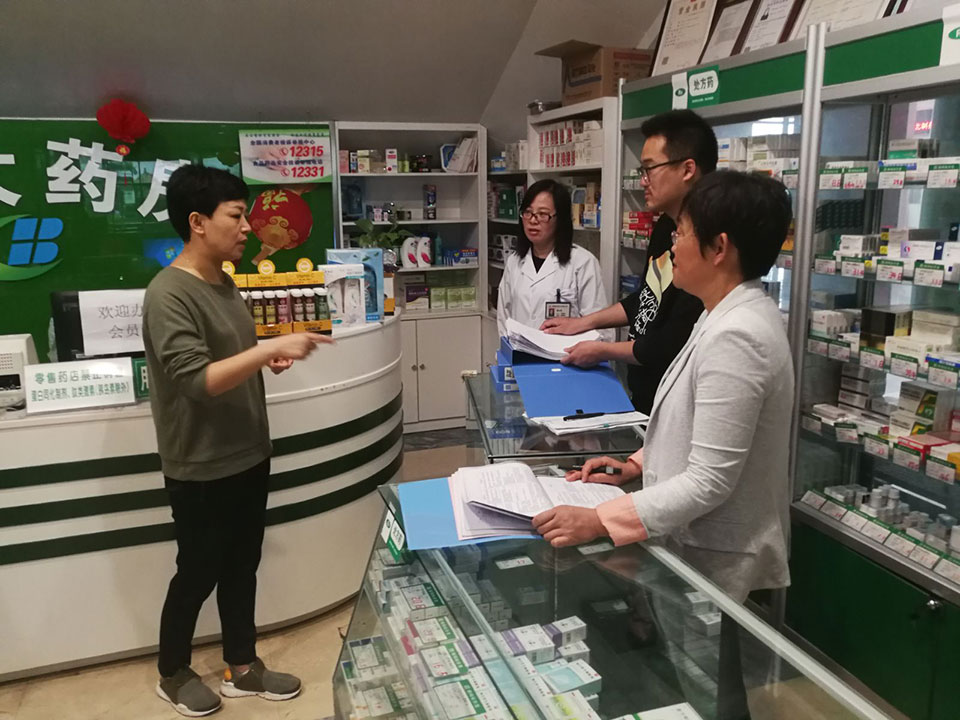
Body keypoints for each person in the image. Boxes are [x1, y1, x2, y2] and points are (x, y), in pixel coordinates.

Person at [534, 171, 792, 719]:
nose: (673, 244)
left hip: (714, 551)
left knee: (711, 693)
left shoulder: (739, 334)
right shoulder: (720, 313)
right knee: (697, 682)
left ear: (719, 248)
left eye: (683, 233)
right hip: (687, 539)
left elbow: (711, 480)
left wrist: (600, 520)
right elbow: (698, 429)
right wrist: (634, 463)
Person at [144, 165, 331, 717]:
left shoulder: (224, 283)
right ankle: (172, 671)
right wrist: (268, 349)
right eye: (236, 215)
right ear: (198, 222)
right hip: (201, 461)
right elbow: (196, 380)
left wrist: (263, 359)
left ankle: (242, 666)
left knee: (242, 566)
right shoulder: (168, 293)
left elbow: (226, 360)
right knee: (198, 570)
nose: (249, 227)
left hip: (248, 451)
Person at [540, 110, 716, 414]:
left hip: (677, 398)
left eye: (650, 169)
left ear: (687, 169)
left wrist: (602, 350)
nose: (643, 180)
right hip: (645, 392)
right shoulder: (665, 225)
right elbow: (649, 297)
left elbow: (673, 341)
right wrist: (583, 322)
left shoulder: (706, 245)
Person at [497, 179, 610, 339]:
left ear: (560, 219)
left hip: (566, 354)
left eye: (543, 214)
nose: (533, 220)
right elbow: (504, 319)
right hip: (520, 353)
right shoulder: (514, 262)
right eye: (528, 212)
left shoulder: (583, 263)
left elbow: (600, 329)